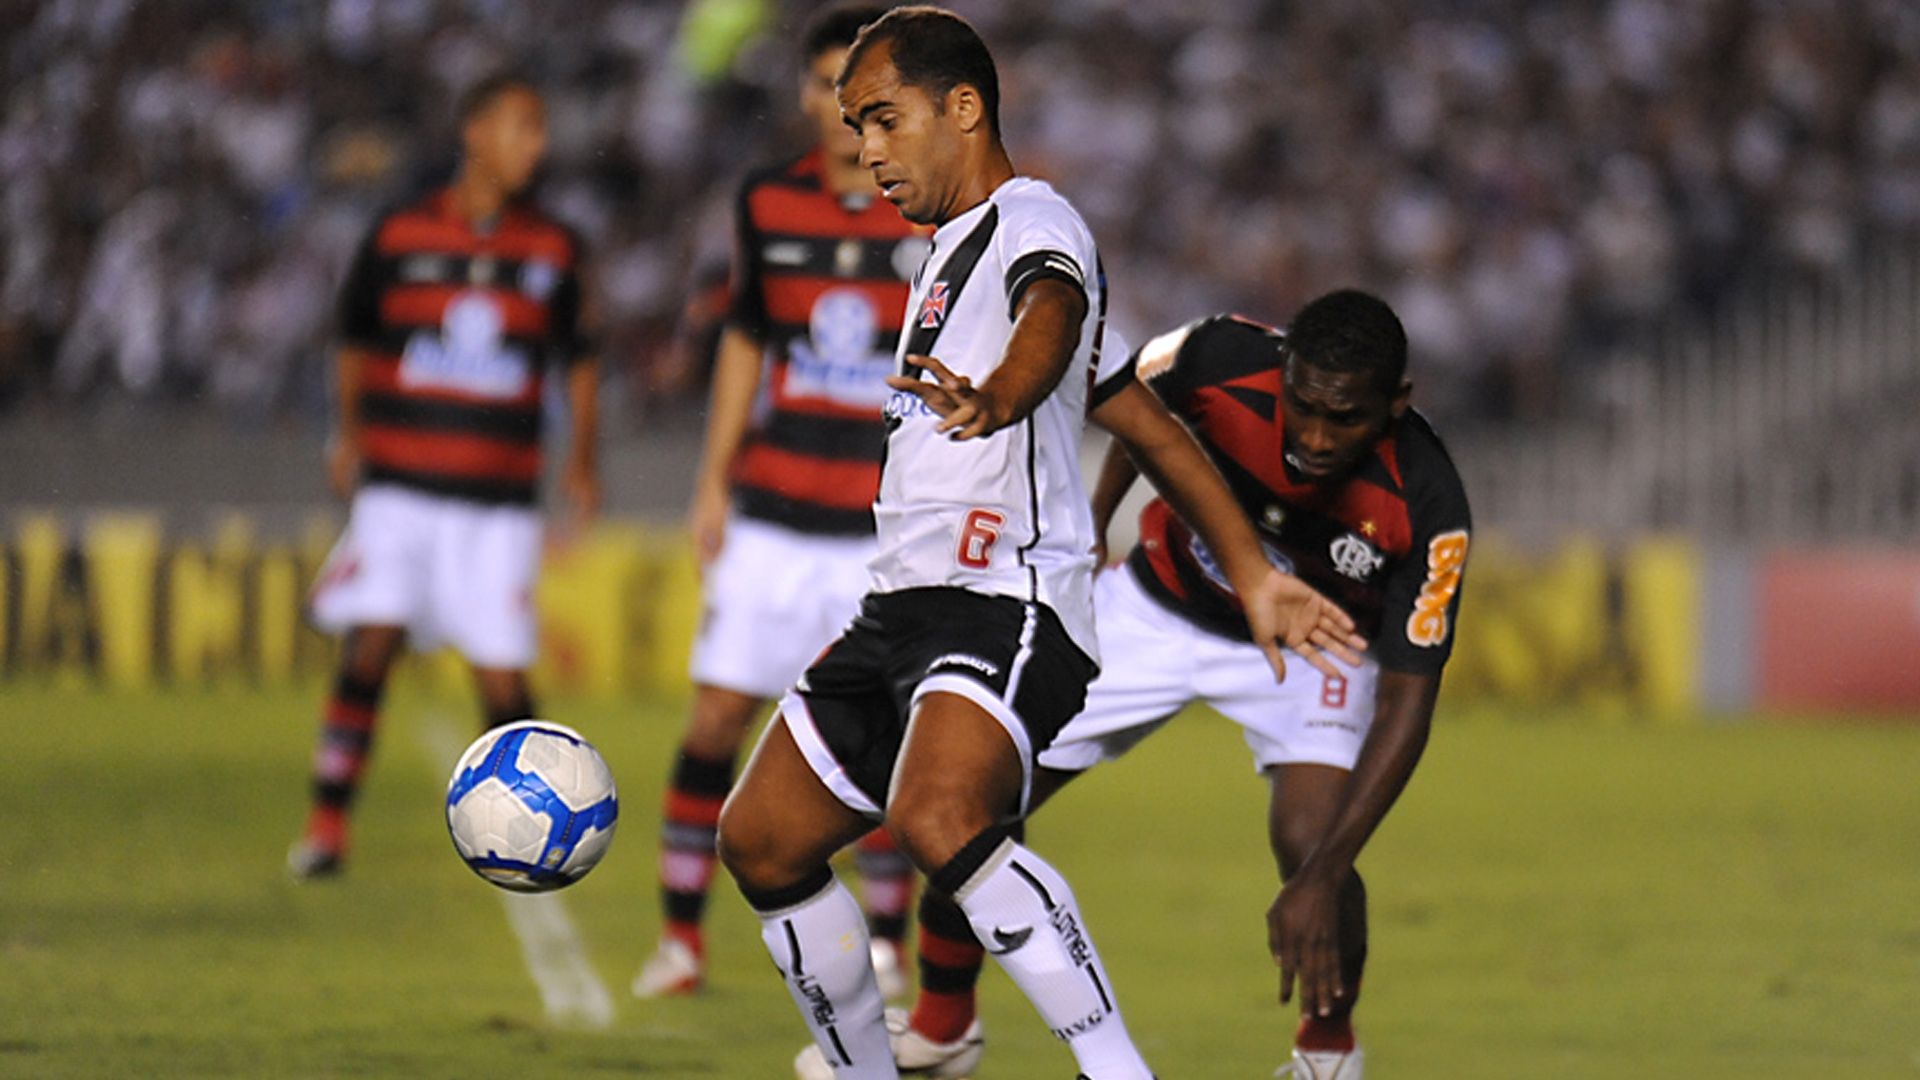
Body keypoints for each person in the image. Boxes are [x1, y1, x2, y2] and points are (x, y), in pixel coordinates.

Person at [714, 9, 1365, 1078]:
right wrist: (1254, 573)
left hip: (1008, 602)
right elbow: (1149, 421)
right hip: (904, 605)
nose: (867, 150)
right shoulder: (938, 259)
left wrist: (1007, 393)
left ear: (962, 107)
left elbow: (1050, 312)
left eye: (883, 119)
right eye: (854, 127)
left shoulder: (1032, 219)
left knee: (938, 813)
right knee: (763, 837)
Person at [830, 291, 1470, 1080]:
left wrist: (1328, 872)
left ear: (1397, 403)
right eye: (1300, 406)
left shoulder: (1430, 504)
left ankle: (1327, 1052)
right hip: (1153, 609)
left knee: (1312, 847)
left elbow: (1409, 705)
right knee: (972, 793)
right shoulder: (1217, 354)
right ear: (1282, 370)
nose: (1313, 436)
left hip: (1317, 649)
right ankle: (944, 1027)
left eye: (1344, 419)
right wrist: (1095, 520)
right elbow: (1138, 413)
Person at [633, 2, 932, 1001]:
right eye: (827, 85)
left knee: (881, 740)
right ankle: (681, 942)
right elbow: (747, 347)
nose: (845, 106)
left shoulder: (931, 212)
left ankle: (887, 945)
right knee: (716, 720)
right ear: (810, 98)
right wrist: (712, 482)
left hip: (879, 535)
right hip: (770, 515)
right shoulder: (767, 202)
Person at [288, 73, 599, 879]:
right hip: (400, 489)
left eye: (540, 131)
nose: (537, 146)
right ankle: (326, 828)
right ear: (475, 134)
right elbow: (353, 336)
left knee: (501, 674)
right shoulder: (399, 234)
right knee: (371, 645)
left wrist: (584, 463)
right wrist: (348, 434)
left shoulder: (554, 247)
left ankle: (533, 836)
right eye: (522, 128)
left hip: (497, 504)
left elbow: (580, 363)